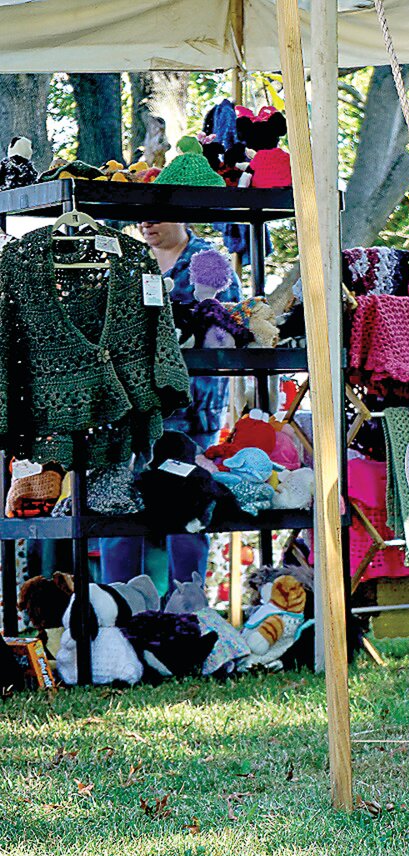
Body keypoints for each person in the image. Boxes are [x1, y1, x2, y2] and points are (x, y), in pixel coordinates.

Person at [99, 222, 240, 590]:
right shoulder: (131, 262)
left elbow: (227, 332)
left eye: (157, 216)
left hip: (191, 413)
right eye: (143, 217)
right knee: (117, 505)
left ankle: (187, 609)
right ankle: (117, 608)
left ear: (179, 217)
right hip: (133, 412)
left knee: (188, 514)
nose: (147, 224)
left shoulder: (208, 261)